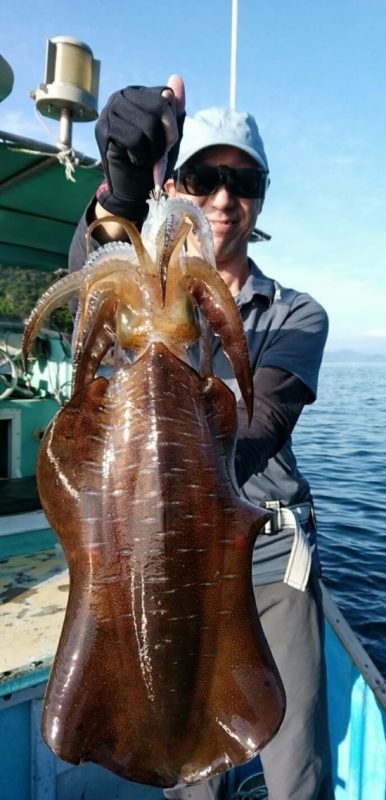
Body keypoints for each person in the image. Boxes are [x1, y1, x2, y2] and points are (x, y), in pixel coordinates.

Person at [69, 76, 334, 800]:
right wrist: (121, 188)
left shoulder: (295, 315)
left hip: (271, 551)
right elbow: (90, 282)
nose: (222, 199)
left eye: (241, 181)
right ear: (181, 185)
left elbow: (254, 430)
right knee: (185, 760)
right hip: (157, 547)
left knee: (297, 761)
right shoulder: (136, 291)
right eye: (206, 177)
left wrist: (170, 345)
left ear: (262, 195)